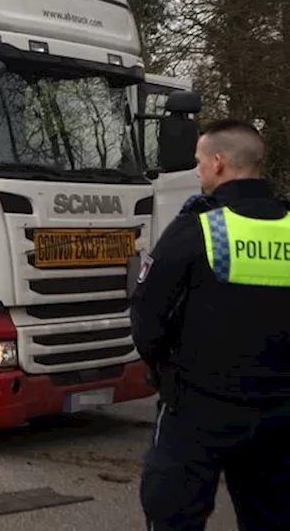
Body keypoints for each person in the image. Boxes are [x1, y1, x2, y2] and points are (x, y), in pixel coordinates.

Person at [131, 119, 290, 530]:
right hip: (280, 414)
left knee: (174, 516)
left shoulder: (198, 228)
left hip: (198, 410)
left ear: (218, 163)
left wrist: (167, 375)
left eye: (200, 162)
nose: (198, 171)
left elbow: (148, 317)